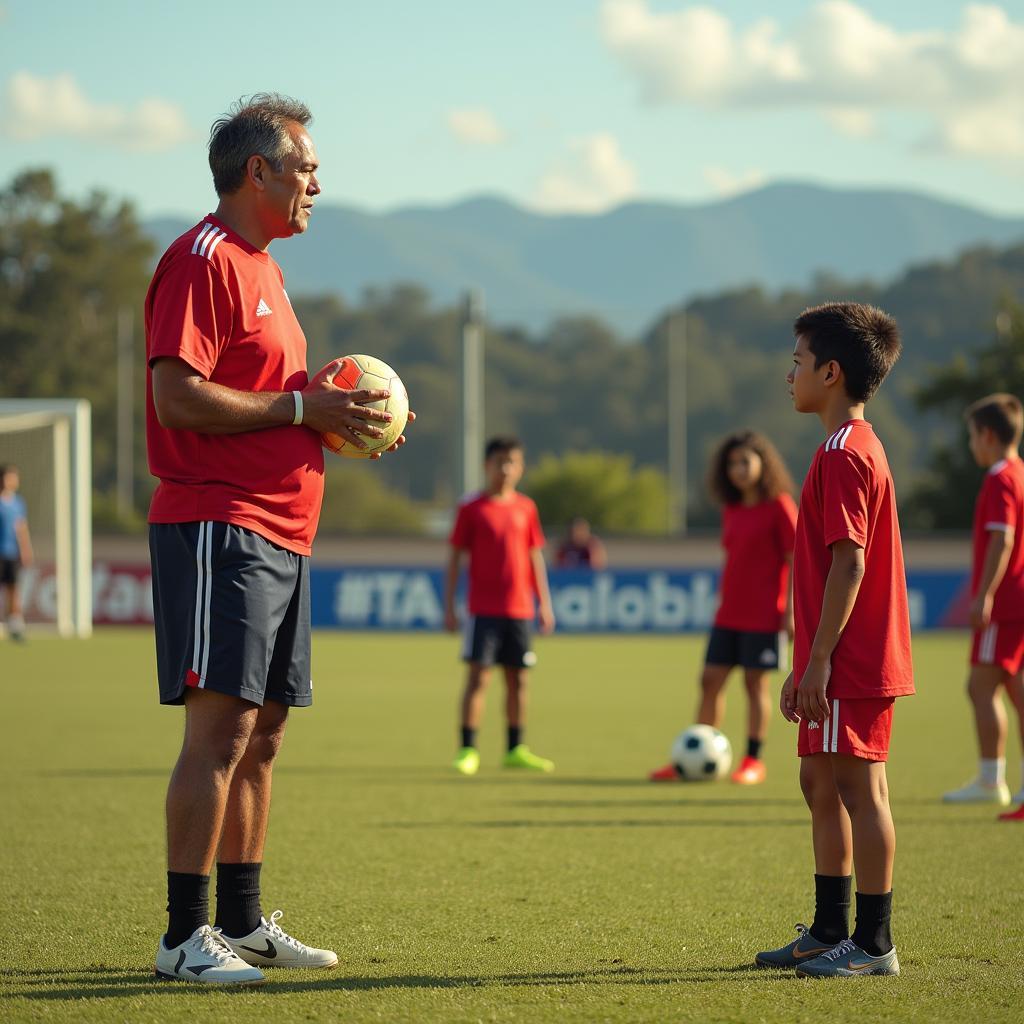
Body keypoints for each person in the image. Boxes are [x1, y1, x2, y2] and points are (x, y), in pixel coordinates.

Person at [146, 93, 411, 986]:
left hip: (283, 532)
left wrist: (345, 421)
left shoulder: (265, 269)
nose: (317, 183)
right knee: (218, 735)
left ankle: (243, 922)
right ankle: (185, 938)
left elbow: (271, 400)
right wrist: (306, 406)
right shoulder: (203, 260)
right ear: (257, 171)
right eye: (304, 168)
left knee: (262, 737)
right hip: (222, 525)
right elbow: (176, 396)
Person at [755, 302, 913, 978]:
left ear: (831, 370)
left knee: (860, 790)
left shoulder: (847, 451)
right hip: (831, 658)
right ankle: (828, 929)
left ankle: (874, 944)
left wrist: (817, 662)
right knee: (819, 781)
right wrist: (805, 664)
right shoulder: (838, 447)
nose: (788, 374)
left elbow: (849, 561)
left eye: (796, 363)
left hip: (852, 658)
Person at [649, 431, 797, 785]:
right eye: (732, 464)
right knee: (709, 681)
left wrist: (790, 611)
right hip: (728, 614)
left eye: (745, 462)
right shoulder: (731, 509)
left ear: (764, 464)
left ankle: (753, 760)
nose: (738, 470)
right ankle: (695, 753)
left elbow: (796, 560)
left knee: (754, 685)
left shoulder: (779, 505)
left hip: (764, 615)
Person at [445, 436, 556, 776]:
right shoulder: (472, 508)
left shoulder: (526, 508)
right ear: (486, 466)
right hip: (483, 610)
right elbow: (455, 558)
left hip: (520, 610)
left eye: (513, 463)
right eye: (499, 462)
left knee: (519, 680)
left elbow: (534, 556)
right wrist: (449, 604)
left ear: (521, 468)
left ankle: (515, 748)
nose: (506, 469)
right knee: (478, 679)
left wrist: (544, 603)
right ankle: (468, 749)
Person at [941, 393, 1024, 820]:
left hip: (1007, 603)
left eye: (972, 436)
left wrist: (985, 594)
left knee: (980, 687)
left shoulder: (998, 478)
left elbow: (1002, 537)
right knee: (1012, 689)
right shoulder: (1020, 473)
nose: (972, 444)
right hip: (1018, 601)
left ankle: (992, 781)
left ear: (987, 436)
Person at [0, 464, 32, 642]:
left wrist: (26, 549)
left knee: (13, 589)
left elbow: (21, 528)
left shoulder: (18, 503)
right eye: (8, 477)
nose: (11, 481)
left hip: (11, 553)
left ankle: (15, 626)